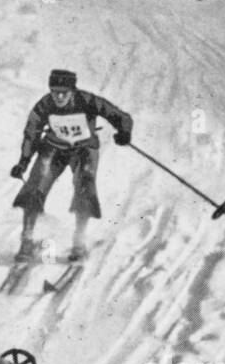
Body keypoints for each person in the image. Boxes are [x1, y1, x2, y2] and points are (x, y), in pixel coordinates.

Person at [10, 70, 134, 262]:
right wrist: (23, 162)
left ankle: (79, 242)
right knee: (36, 183)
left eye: (64, 93)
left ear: (72, 91)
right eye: (55, 92)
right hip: (54, 148)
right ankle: (26, 239)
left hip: (83, 150)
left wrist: (124, 132)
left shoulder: (87, 100)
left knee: (85, 184)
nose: (59, 97)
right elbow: (31, 132)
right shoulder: (45, 104)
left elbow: (120, 116)